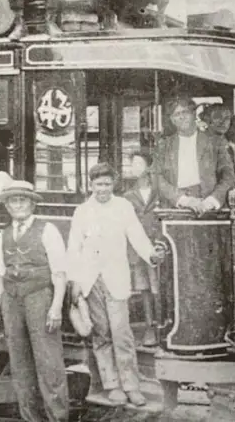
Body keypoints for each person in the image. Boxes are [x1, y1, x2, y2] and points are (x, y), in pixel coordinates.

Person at [67, 163, 164, 407]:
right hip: (91, 281)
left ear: (114, 184)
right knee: (101, 334)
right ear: (91, 185)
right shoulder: (82, 211)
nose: (103, 189)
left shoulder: (123, 207)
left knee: (122, 333)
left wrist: (151, 255)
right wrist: (75, 280)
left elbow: (137, 235)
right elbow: (74, 247)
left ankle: (131, 386)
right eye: (98, 184)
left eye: (107, 184)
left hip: (116, 279)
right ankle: (112, 385)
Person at [0, 181, 68, 422]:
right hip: (11, 301)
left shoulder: (47, 230)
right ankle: (30, 418)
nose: (18, 205)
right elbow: (1, 276)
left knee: (48, 361)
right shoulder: (3, 235)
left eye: (23, 200)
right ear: (7, 206)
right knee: (20, 362)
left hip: (39, 298)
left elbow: (59, 273)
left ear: (32, 203)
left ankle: (57, 417)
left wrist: (56, 307)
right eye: (13, 201)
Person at [151, 96, 235, 214]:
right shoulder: (164, 145)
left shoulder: (215, 142)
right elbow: (156, 177)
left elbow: (228, 176)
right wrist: (183, 200)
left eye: (185, 112)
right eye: (176, 114)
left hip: (208, 207)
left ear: (194, 114)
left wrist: (212, 200)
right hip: (176, 207)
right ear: (172, 119)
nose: (181, 117)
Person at [122, 155, 161, 347]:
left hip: (158, 246)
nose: (134, 167)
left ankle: (163, 324)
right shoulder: (128, 196)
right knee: (144, 287)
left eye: (138, 163)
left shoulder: (160, 191)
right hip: (138, 249)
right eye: (132, 164)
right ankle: (149, 326)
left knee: (159, 286)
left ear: (148, 166)